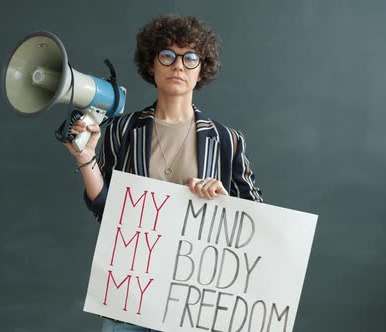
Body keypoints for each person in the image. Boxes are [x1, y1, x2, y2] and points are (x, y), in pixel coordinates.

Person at [63, 15, 263, 332]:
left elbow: (256, 221)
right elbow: (107, 209)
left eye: (190, 57)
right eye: (167, 55)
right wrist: (86, 159)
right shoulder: (122, 130)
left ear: (202, 70)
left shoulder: (226, 140)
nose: (179, 65)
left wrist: (223, 200)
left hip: (195, 301)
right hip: (132, 296)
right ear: (152, 65)